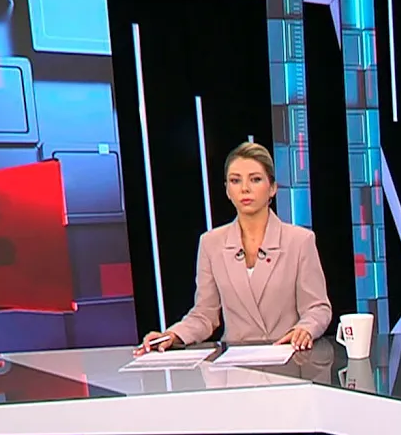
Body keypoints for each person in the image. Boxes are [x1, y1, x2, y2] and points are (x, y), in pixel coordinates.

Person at [136, 142, 332, 353]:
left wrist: (305, 329)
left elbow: (317, 308)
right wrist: (173, 335)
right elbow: (204, 314)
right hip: (236, 362)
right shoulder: (211, 243)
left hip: (287, 357)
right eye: (235, 180)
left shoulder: (299, 241)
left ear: (273, 188)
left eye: (255, 179)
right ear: (228, 191)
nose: (245, 188)